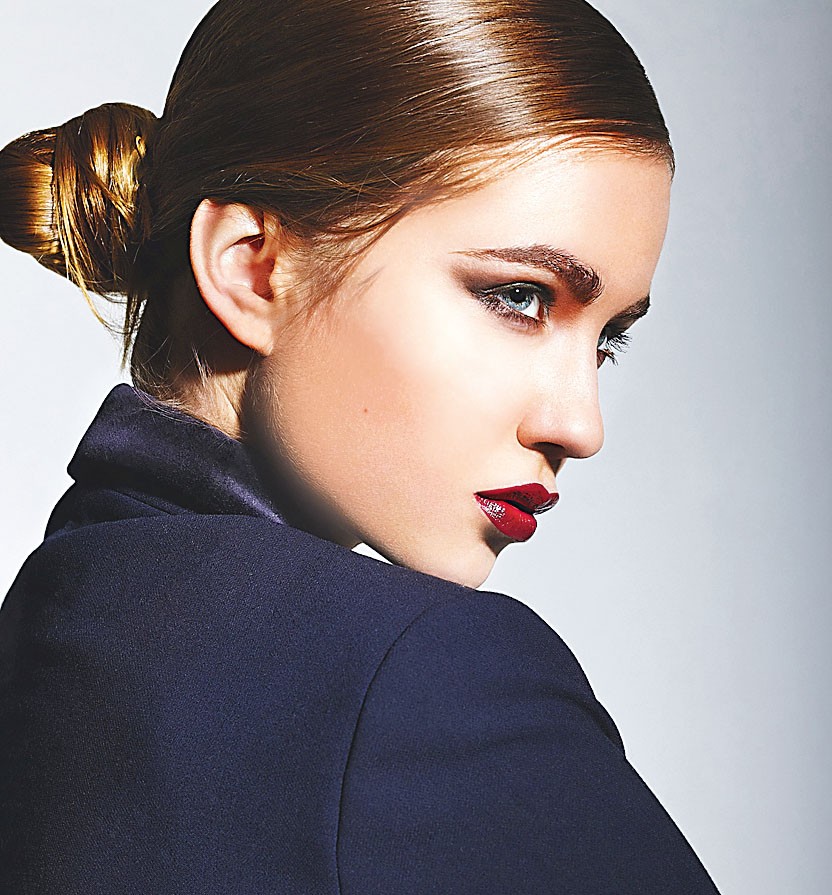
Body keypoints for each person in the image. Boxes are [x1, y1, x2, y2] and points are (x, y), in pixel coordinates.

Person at [0, 0, 721, 891]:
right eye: (520, 297)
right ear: (253, 267)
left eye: (607, 338)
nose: (580, 426)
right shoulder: (427, 677)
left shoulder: (53, 620)